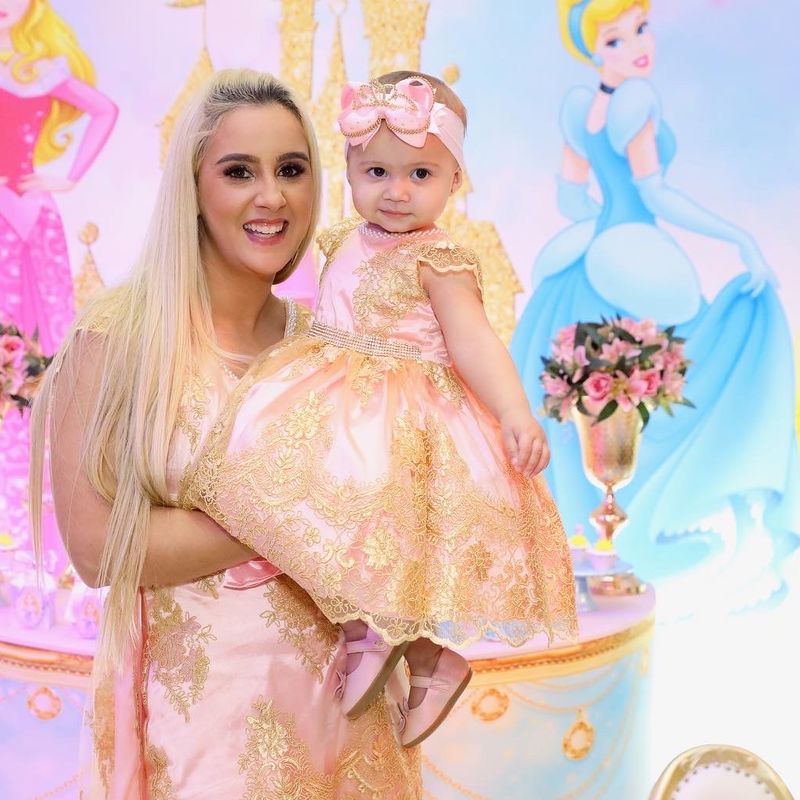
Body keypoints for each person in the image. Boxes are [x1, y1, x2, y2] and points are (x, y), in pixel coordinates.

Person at [31, 69, 421, 798]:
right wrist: (299, 508)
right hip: (202, 739)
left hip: (347, 719)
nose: (271, 196)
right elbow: (96, 548)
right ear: (193, 187)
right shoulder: (116, 340)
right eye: (240, 171)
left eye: (291, 170)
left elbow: (383, 529)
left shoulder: (331, 347)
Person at [181, 71, 578, 749]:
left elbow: (474, 342)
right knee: (304, 501)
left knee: (380, 528)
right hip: (333, 395)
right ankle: (385, 639)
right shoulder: (341, 239)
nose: (396, 191)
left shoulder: (439, 259)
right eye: (377, 173)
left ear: (455, 181)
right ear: (349, 172)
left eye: (420, 174)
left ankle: (407, 648)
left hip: (398, 416)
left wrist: (515, 412)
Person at [510, 0, 799, 603]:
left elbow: (570, 198)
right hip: (636, 262)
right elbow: (656, 193)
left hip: (593, 267)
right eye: (615, 40)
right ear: (592, 50)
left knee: (599, 407)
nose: (637, 47)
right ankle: (648, 536)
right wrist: (737, 237)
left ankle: (594, 551)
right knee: (679, 379)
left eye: (640, 29)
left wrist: (601, 230)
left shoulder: (579, 108)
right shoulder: (636, 101)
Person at [0, 0, 117, 555]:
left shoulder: (38, 68)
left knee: (36, 349)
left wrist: (67, 177)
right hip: (16, 214)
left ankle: (37, 507)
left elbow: (104, 110)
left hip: (25, 217)